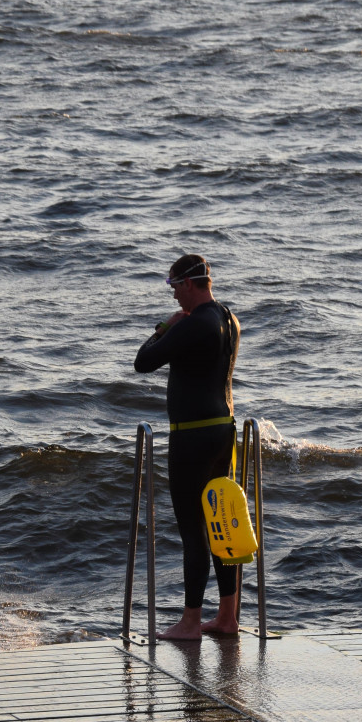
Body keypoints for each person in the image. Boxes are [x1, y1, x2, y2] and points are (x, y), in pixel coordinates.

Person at [134, 254, 241, 639]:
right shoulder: (229, 319)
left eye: (174, 286)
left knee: (194, 530)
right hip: (222, 431)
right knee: (220, 526)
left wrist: (165, 327)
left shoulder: (193, 323)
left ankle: (191, 622)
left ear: (190, 283)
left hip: (193, 435)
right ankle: (227, 618)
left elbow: (143, 362)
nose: (174, 295)